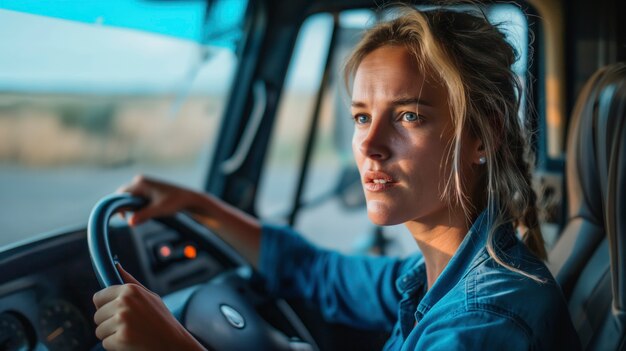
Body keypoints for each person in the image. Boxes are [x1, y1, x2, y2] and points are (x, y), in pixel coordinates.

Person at [92, 6, 581, 350]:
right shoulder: (434, 276)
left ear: (482, 137)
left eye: (409, 116)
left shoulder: (483, 323)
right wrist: (197, 206)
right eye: (362, 118)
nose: (369, 146)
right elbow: (317, 272)